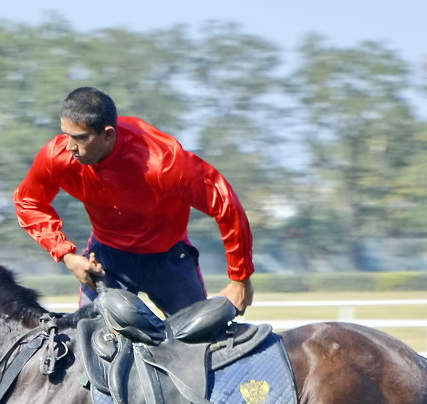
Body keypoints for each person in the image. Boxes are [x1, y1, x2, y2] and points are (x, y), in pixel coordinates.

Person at [14, 86, 255, 316]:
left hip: (168, 260)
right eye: (66, 135)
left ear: (108, 134)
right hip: (107, 259)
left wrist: (240, 278)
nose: (69, 146)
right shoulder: (57, 156)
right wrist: (66, 255)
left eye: (80, 138)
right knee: (89, 343)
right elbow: (28, 201)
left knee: (201, 345)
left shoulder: (164, 162)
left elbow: (226, 205)